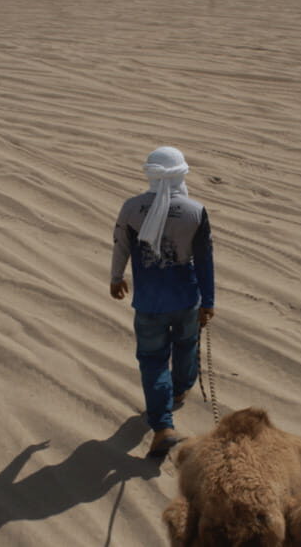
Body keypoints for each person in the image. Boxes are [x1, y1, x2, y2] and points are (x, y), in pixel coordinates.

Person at [110, 146, 215, 456]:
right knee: (186, 345)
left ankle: (162, 426)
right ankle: (180, 390)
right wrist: (208, 300)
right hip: (186, 299)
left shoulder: (131, 208)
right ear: (181, 174)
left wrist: (116, 277)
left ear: (151, 174)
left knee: (153, 361)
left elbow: (120, 244)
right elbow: (204, 260)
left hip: (148, 303)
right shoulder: (195, 211)